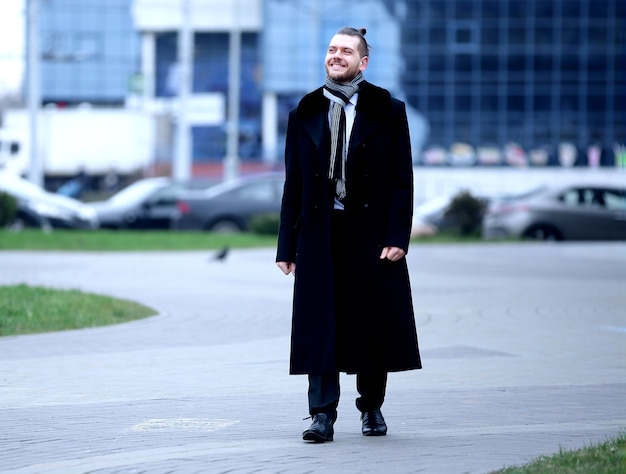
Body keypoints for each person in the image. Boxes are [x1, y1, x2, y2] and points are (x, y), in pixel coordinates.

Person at [276, 26, 422, 443]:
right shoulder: (303, 111)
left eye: (346, 51)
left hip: (372, 236)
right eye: (331, 49)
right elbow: (294, 185)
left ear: (363, 61)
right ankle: (321, 414)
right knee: (319, 323)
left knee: (370, 320)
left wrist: (398, 236)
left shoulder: (388, 110)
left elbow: (401, 181)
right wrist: (286, 245)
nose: (336, 56)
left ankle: (371, 406)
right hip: (318, 235)